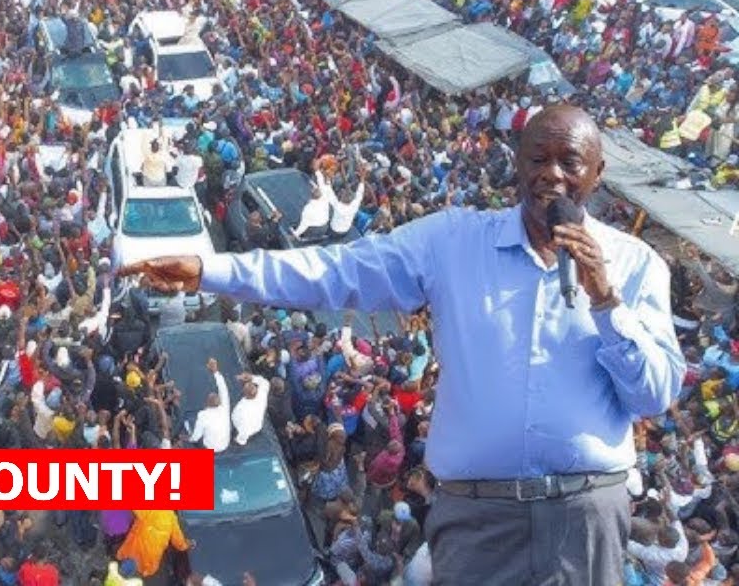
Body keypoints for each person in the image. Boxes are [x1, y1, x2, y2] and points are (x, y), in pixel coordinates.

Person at [119, 106, 684, 585]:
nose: (552, 176)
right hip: (476, 519)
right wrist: (207, 269)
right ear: (517, 162)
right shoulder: (455, 241)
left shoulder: (636, 267)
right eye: (539, 159)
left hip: (583, 517)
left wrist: (607, 302)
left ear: (598, 173)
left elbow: (655, 395)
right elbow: (331, 270)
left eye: (570, 162)